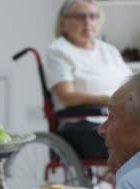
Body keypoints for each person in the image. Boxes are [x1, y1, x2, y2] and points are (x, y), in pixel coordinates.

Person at [46, 0, 132, 159]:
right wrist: (107, 100)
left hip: (119, 119)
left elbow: (132, 84)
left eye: (93, 16)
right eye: (80, 16)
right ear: (63, 22)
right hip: (81, 123)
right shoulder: (58, 51)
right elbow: (67, 96)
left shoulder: (108, 50)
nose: (88, 22)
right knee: (136, 142)